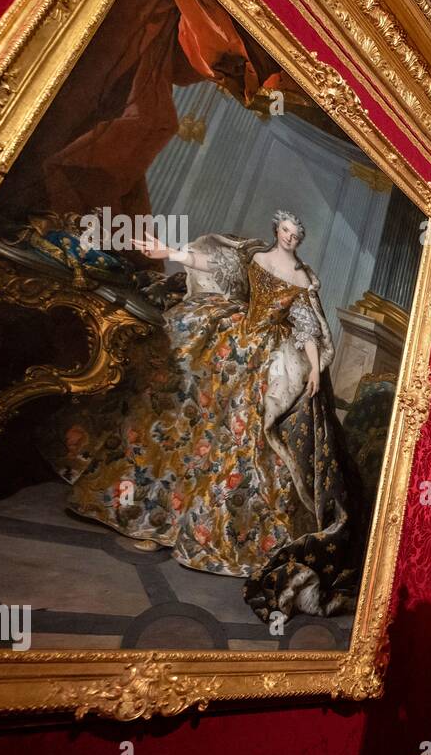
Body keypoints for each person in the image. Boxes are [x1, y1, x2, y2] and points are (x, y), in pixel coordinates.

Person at [44, 211, 357, 622]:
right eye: (285, 231)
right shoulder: (255, 257)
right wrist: (170, 252)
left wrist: (314, 369)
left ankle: (199, 526)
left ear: (300, 238)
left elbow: (306, 329)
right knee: (183, 413)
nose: (290, 238)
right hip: (227, 340)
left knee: (237, 441)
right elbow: (216, 264)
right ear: (276, 232)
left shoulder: (303, 279)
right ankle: (152, 514)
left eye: (297, 234)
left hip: (261, 361)